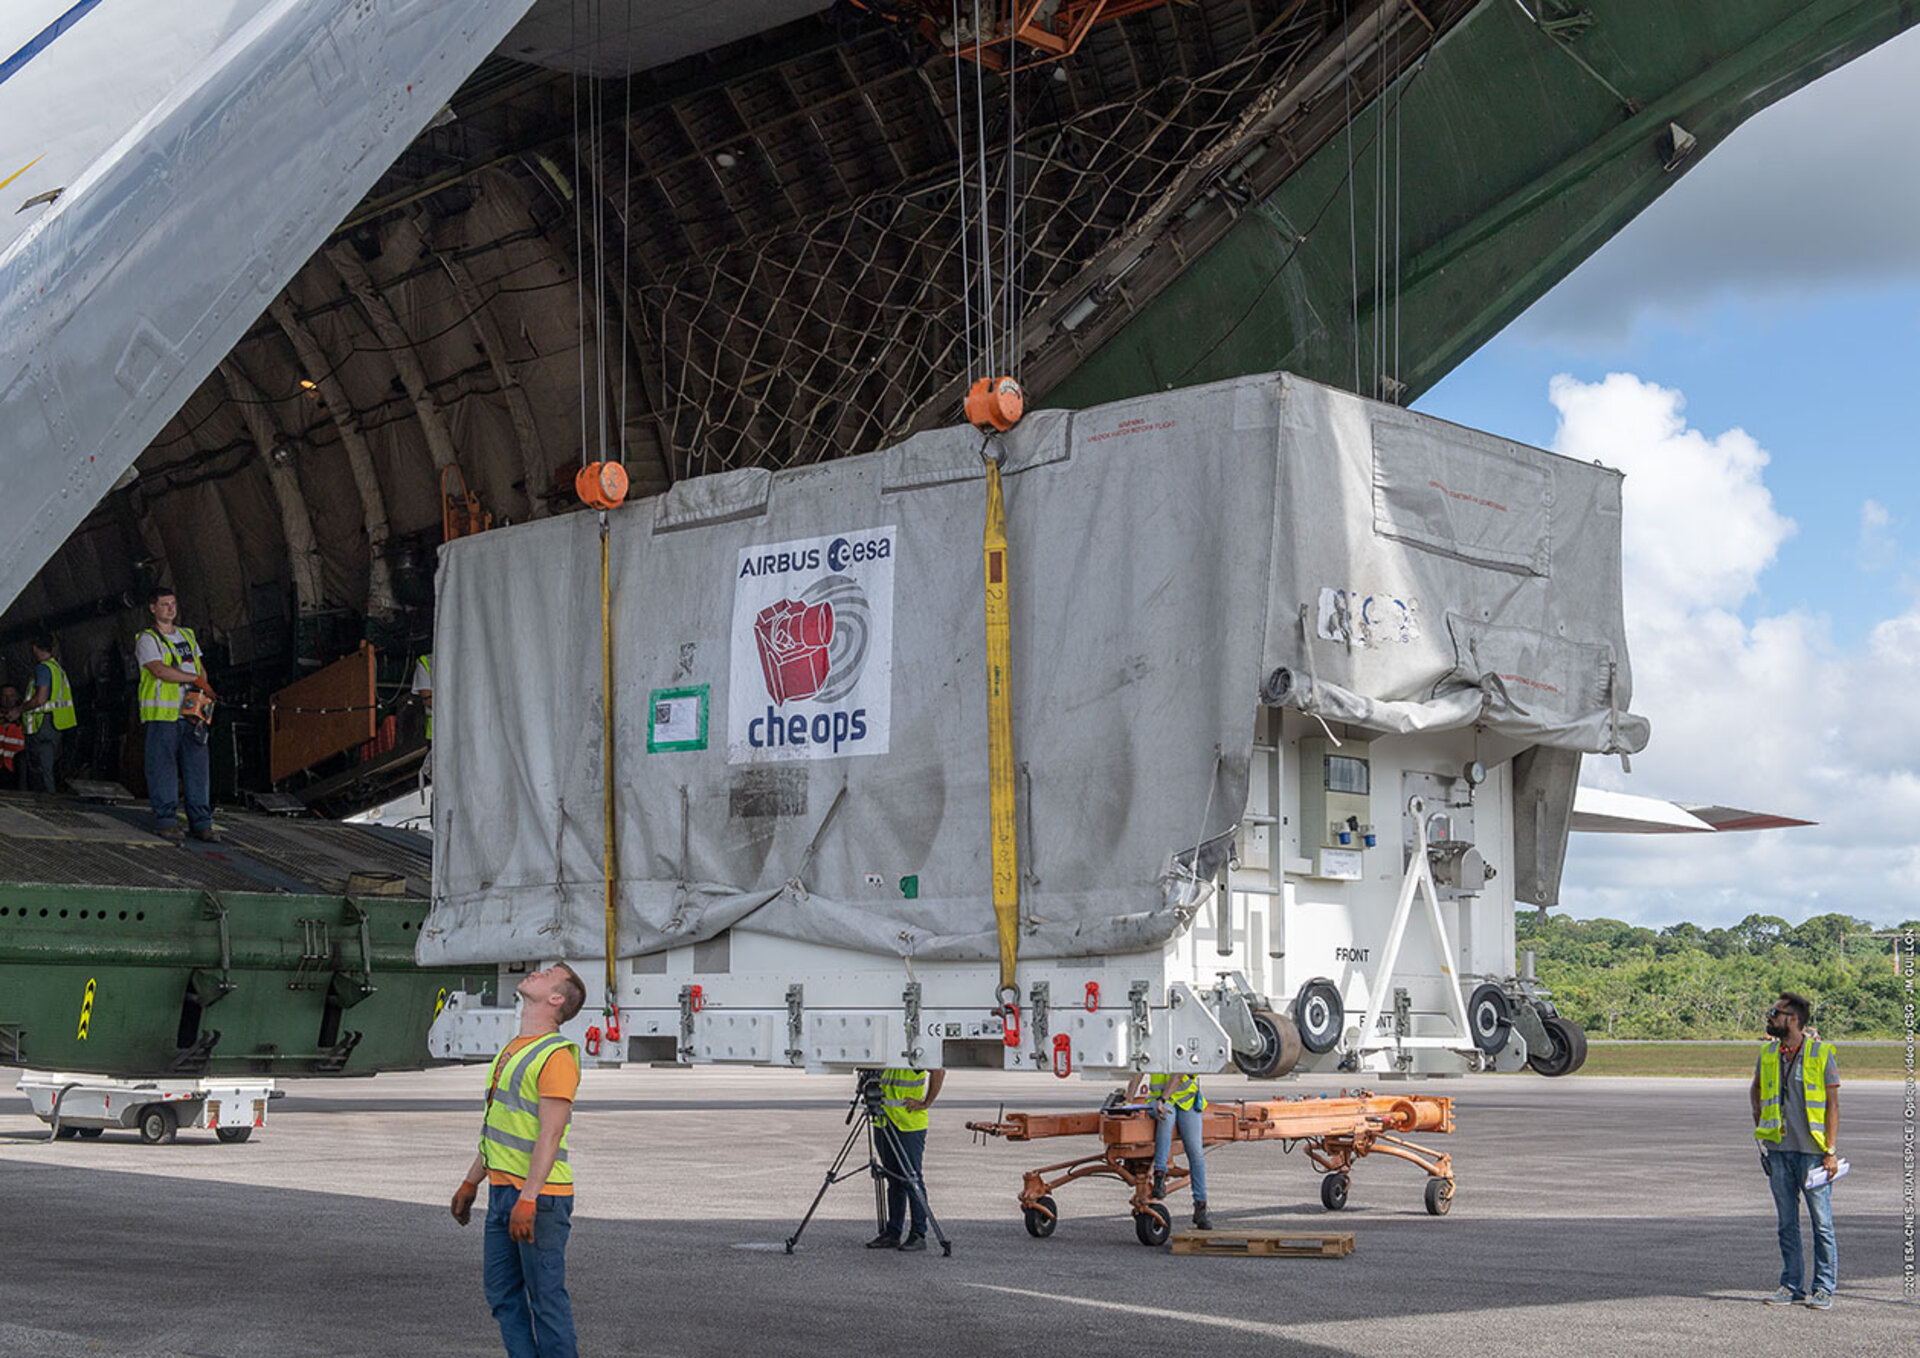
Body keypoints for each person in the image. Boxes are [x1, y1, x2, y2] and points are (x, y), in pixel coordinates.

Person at [451, 963, 588, 1358]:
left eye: (546, 974)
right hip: (503, 1192)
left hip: (539, 1198)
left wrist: (528, 1198)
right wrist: (471, 1181)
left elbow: (550, 1133)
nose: (535, 973)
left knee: (545, 1300)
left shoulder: (557, 1056)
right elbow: (500, 1126)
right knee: (502, 1295)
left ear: (556, 998)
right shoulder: (514, 1049)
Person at [1751, 990, 1840, 1309]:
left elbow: (1832, 1106)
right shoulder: (1767, 1054)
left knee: (1822, 1223)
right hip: (1779, 1151)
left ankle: (1824, 1287)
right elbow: (1756, 1089)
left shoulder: (1821, 1053)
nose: (1771, 1018)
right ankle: (1791, 1285)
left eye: (1775, 1013)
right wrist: (1761, 1127)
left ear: (1794, 1019)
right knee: (1786, 1223)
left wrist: (1830, 1150)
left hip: (1813, 1153)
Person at [134, 588, 217, 842]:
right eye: (164, 605)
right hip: (163, 716)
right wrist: (194, 680)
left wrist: (202, 697)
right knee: (163, 770)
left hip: (191, 715)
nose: (171, 609)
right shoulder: (147, 639)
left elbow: (201, 670)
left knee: (198, 770)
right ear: (153, 608)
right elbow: (159, 670)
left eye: (173, 603)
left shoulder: (188, 636)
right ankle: (166, 821)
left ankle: (202, 823)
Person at [866, 1066, 944, 1252]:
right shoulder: (884, 1046)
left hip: (908, 1123)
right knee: (893, 1179)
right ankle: (893, 1232)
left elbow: (939, 1071)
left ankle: (918, 1234)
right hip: (883, 1120)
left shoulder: (914, 1047)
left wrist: (926, 1102)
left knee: (912, 1178)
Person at [1127, 1071, 1214, 1230]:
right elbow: (1138, 1073)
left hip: (1185, 1100)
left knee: (1196, 1153)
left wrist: (1163, 1099)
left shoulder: (1181, 1047)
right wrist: (1127, 1101)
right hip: (1160, 1101)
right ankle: (1159, 1175)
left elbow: (1179, 1074)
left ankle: (1200, 1207)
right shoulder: (1152, 1047)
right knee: (1166, 1118)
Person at [20, 631, 76, 793]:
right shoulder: (57, 668)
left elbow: (40, 699)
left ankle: (46, 802)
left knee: (42, 769)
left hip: (43, 724)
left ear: (35, 648)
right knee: (48, 766)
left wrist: (19, 710)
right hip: (55, 724)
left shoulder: (43, 669)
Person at [0, 685, 24, 786]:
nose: (8, 699)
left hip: (17, 771)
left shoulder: (26, 719)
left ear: (17, 697)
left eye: (11, 696)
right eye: (4, 696)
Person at [412, 652, 433, 740]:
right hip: (437, 731)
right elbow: (428, 700)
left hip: (437, 730)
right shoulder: (425, 662)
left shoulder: (426, 661)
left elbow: (427, 698)